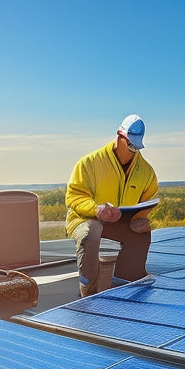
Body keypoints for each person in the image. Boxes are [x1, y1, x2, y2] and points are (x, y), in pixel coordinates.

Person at [65, 114, 159, 297]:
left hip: (119, 222)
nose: (133, 151)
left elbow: (149, 200)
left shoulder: (146, 172)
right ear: (119, 136)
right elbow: (75, 196)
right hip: (86, 219)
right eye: (130, 145)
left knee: (140, 234)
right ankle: (88, 292)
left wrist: (141, 219)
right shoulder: (89, 164)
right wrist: (96, 210)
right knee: (90, 233)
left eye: (137, 147)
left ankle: (126, 288)